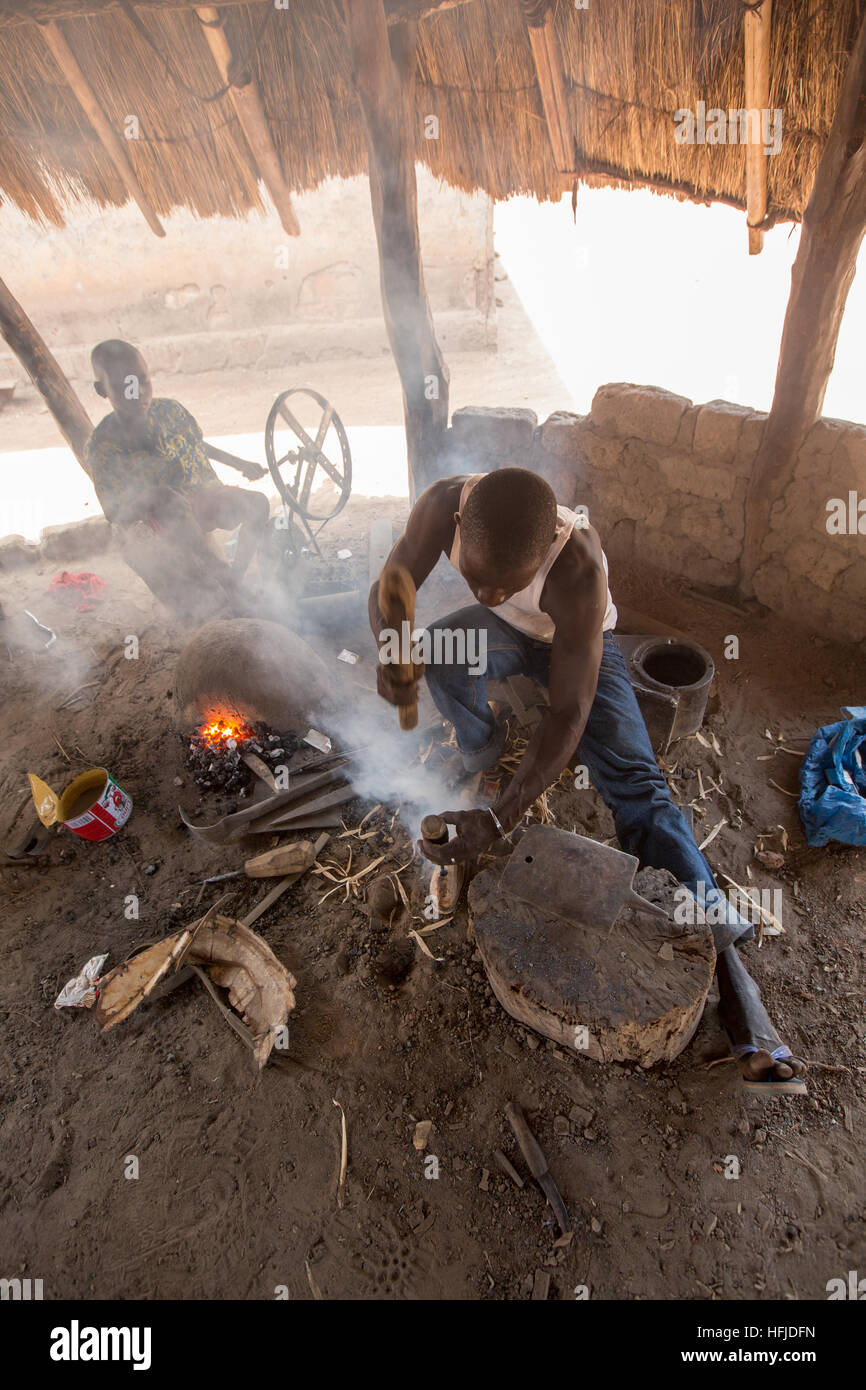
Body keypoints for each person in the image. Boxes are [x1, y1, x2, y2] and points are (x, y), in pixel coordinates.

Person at [369, 467, 806, 1095]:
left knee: (638, 786)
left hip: (580, 647)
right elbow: (391, 588)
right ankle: (483, 746)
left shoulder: (579, 569)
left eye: (505, 582)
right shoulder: (445, 504)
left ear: (544, 549)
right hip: (510, 641)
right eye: (475, 578)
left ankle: (733, 975)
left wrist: (498, 821)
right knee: (441, 649)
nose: (488, 594)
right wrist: (390, 647)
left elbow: (567, 714)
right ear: (462, 526)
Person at [85, 340, 270, 590]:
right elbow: (113, 512)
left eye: (143, 381)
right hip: (162, 523)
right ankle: (217, 571)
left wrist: (240, 463)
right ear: (101, 389)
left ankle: (235, 575)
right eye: (123, 385)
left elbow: (196, 445)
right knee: (168, 501)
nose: (137, 392)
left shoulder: (170, 411)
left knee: (258, 503)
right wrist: (150, 497)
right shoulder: (103, 444)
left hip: (206, 499)